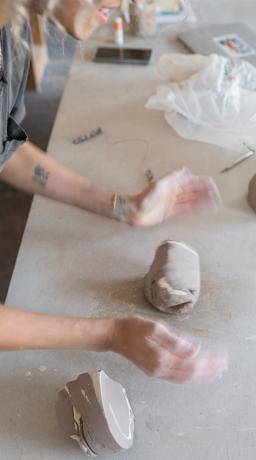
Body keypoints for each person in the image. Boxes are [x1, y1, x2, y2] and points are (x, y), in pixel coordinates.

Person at [0, 0, 227, 383]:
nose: (126, 4)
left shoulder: (10, 25)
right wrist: (112, 334)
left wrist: (123, 207)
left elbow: (5, 148)